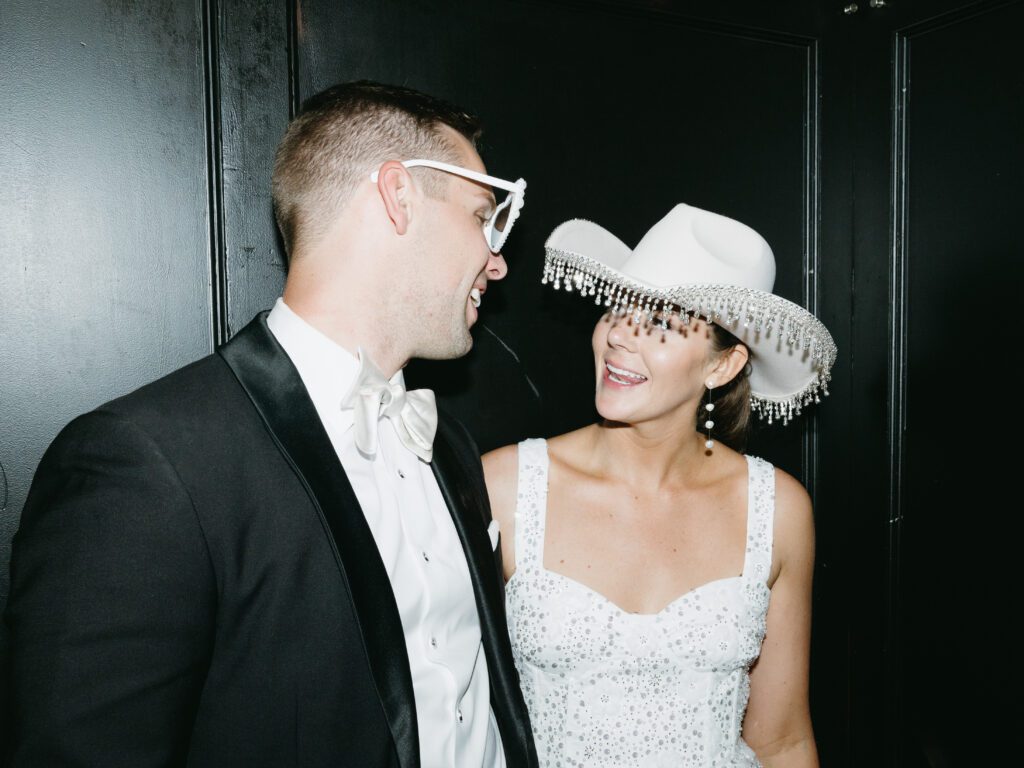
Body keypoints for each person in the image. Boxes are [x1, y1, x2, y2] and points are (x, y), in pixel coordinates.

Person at [4, 80, 537, 767]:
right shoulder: (148, 463)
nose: (496, 259)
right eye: (481, 216)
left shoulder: (451, 447)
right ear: (398, 197)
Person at [483, 204, 837, 768]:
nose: (621, 337)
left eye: (663, 324)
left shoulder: (778, 510)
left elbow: (782, 739)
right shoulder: (505, 485)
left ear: (722, 367)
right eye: (618, 310)